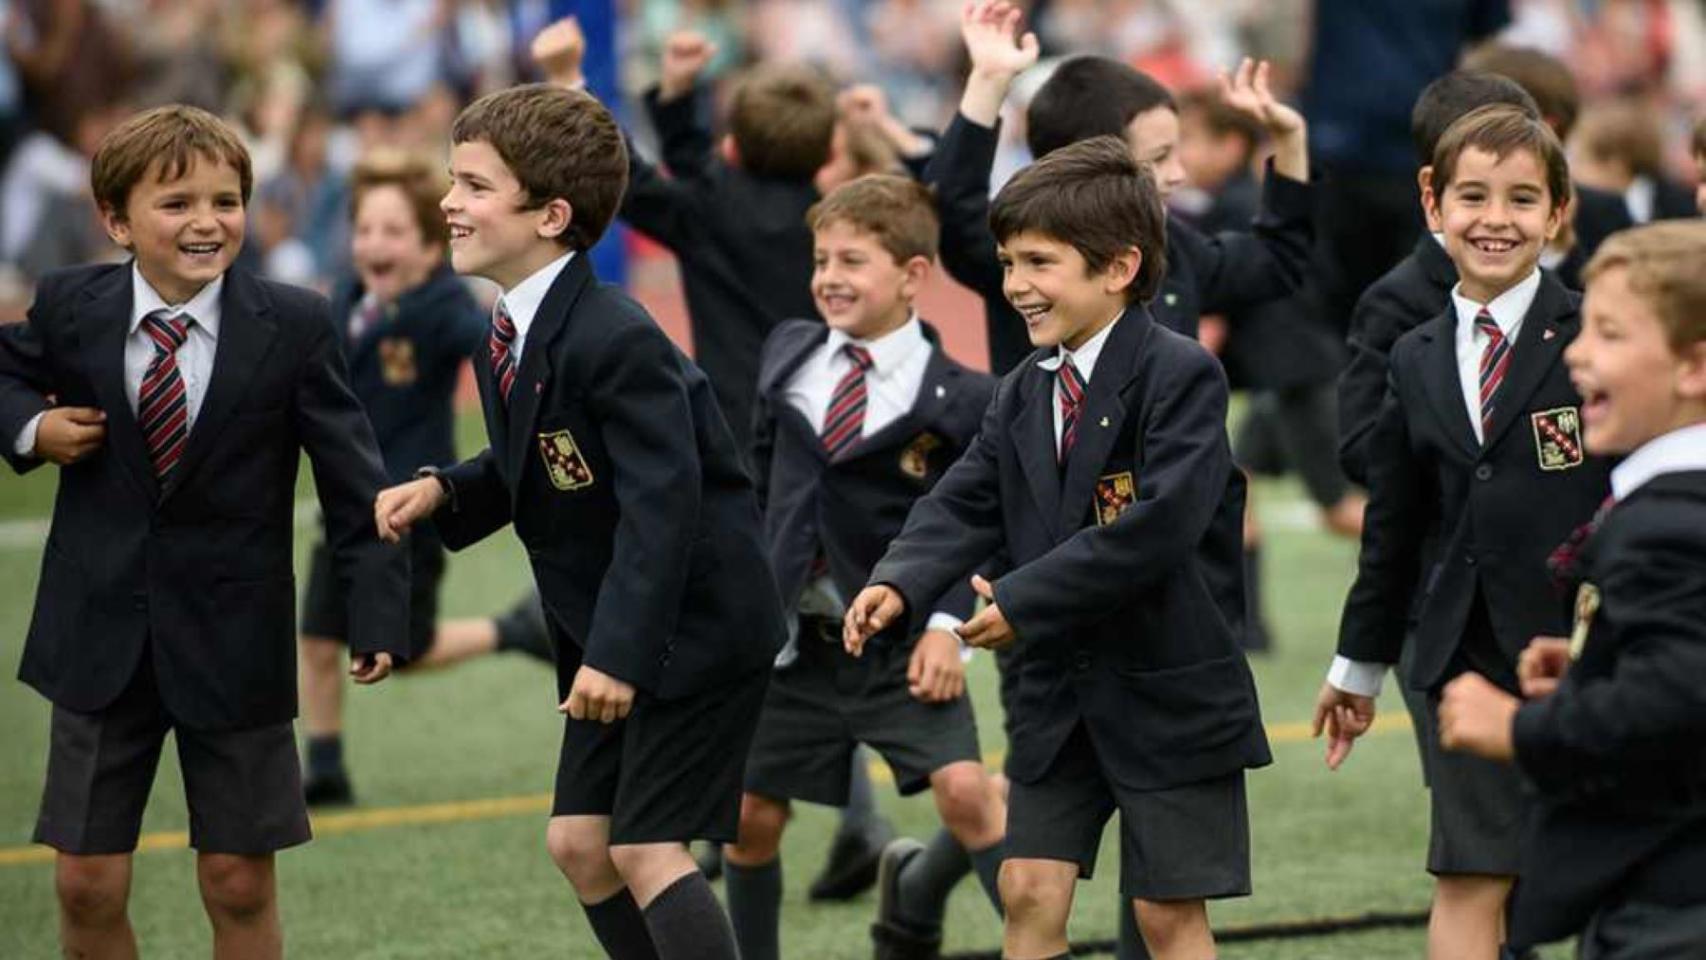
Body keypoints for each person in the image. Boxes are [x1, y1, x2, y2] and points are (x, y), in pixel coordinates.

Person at [372, 83, 784, 960]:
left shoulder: (615, 334)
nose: (449, 202)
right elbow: (538, 454)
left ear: (551, 215)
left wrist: (618, 657)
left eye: (475, 186)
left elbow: (662, 508)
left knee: (643, 846)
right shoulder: (511, 326)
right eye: (454, 180)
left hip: (696, 631)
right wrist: (446, 491)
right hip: (621, 630)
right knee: (580, 844)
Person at [0, 104, 409, 960]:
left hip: (235, 641)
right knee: (85, 882)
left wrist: (374, 611)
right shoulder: (72, 306)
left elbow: (354, 484)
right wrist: (34, 431)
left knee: (237, 880)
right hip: (97, 634)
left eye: (225, 201)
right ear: (117, 220)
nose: (206, 221)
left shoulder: (295, 324)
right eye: (177, 202)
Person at [847, 135, 1270, 960]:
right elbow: (964, 498)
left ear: (1119, 267)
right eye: (1009, 263)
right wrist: (898, 580)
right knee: (1027, 888)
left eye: (1039, 263)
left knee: (1165, 916)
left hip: (1167, 693)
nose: (1015, 286)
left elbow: (1158, 527)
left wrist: (1022, 600)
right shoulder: (1023, 389)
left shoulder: (1180, 374)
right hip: (1059, 693)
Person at [1314, 104, 1612, 960]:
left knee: (1608, 866)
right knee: (1472, 870)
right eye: (1473, 196)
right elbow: (1394, 524)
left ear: (1557, 213)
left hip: (1591, 650)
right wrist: (1357, 665)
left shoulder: (1597, 334)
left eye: (1522, 199)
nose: (1495, 220)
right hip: (1461, 654)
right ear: (1432, 203)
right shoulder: (1413, 354)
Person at [724, 174, 1006, 960]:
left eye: (852, 261)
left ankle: (1034, 945)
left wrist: (947, 626)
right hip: (794, 647)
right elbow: (762, 482)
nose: (829, 278)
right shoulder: (787, 352)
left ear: (913, 275)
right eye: (821, 260)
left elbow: (983, 524)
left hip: (900, 644)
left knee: (967, 794)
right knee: (747, 817)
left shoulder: (965, 398)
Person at [1438, 220, 1706, 959]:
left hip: (1675, 898)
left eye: (1610, 334)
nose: (1578, 353)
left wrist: (1517, 727)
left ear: (1694, 368)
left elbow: (1680, 695)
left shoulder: (1668, 524)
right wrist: (1596, 663)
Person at [927, 0, 1313, 375]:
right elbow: (955, 209)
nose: (1178, 174)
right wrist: (988, 81)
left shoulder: (1173, 248)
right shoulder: (1028, 250)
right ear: (1093, 162)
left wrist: (1290, 140)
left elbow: (1276, 260)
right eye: (1159, 157)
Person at [297, 148, 488, 807]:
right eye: (365, 229)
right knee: (318, 639)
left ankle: (516, 631)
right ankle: (325, 767)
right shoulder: (348, 298)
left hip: (410, 507)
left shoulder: (442, 305)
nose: (374, 244)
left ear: (432, 250)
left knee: (403, 651)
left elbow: (490, 345)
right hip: (346, 505)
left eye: (394, 232)